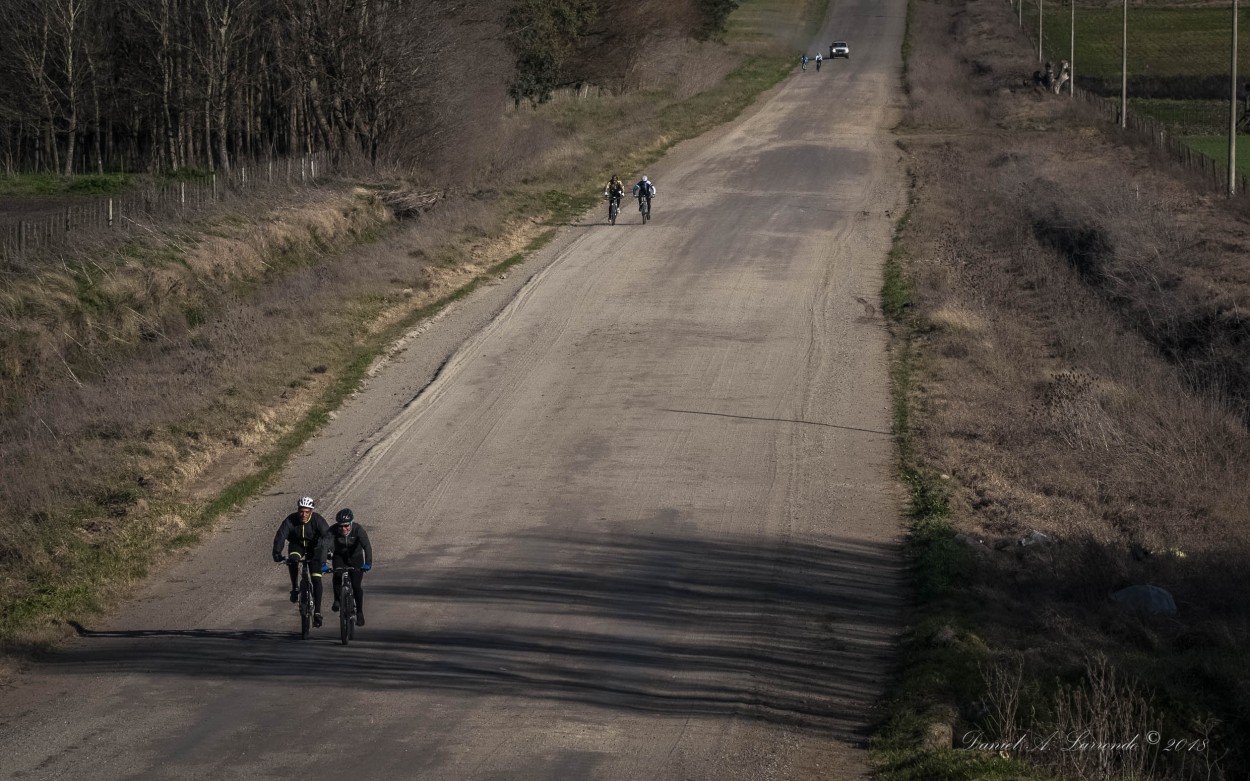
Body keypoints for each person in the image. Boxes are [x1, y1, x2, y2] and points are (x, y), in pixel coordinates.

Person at [272, 496, 332, 628]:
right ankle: (295, 587)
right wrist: (277, 553)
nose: (303, 514)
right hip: (297, 545)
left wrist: (330, 551)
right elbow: (281, 536)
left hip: (314, 548)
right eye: (301, 511)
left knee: (316, 578)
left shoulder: (317, 520)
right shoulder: (290, 520)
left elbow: (328, 536)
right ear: (298, 510)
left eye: (306, 511)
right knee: (293, 560)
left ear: (311, 511)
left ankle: (317, 612)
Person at [329, 508, 373, 626]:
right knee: (337, 575)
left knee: (356, 586)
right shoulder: (332, 530)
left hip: (356, 558)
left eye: (346, 526)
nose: (343, 529)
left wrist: (368, 563)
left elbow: (367, 546)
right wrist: (322, 564)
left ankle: (359, 612)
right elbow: (324, 546)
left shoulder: (358, 530)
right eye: (341, 526)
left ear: (351, 523)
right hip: (340, 557)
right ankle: (338, 599)